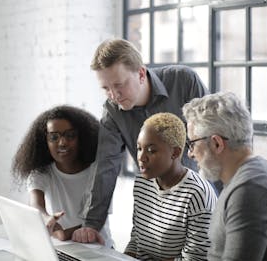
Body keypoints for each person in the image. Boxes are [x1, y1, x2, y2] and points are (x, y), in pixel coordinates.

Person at [72, 38, 210, 244]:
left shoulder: (184, 81)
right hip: (154, 205)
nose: (114, 95)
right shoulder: (112, 111)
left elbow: (212, 144)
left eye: (119, 85)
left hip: (201, 202)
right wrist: (91, 224)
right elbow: (105, 165)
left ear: (141, 74)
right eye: (105, 88)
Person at [182, 92, 267, 261]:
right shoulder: (242, 179)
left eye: (192, 144)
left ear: (216, 143)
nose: (190, 154)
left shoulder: (250, 190)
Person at [11, 105, 113, 247]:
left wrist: (63, 234)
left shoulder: (98, 172)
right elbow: (36, 205)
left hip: (97, 248)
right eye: (54, 137)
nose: (62, 143)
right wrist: (47, 219)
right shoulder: (42, 173)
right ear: (44, 142)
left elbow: (96, 221)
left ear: (82, 138)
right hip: (63, 248)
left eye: (70, 135)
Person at [124, 112, 216, 260]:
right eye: (139, 148)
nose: (141, 157)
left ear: (175, 152)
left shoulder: (197, 194)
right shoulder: (142, 182)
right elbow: (136, 239)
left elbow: (195, 259)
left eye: (151, 150)